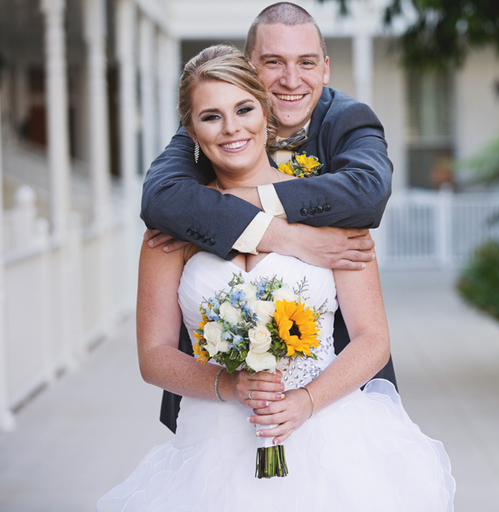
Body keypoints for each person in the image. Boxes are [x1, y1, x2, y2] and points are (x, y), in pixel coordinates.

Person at [98, 44, 453, 511]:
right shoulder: (173, 229)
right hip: (212, 447)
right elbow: (154, 357)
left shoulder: (330, 212)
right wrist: (229, 384)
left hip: (331, 438)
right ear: (191, 131)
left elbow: (372, 340)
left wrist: (306, 400)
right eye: (211, 116)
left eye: (243, 109)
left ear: (266, 111)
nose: (231, 128)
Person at [141, 3, 398, 433]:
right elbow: (160, 199)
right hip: (214, 422)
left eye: (306, 63)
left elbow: (368, 194)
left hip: (330, 407)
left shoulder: (347, 137)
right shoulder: (190, 165)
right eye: (274, 62)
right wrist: (289, 238)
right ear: (251, 67)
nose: (291, 80)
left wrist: (245, 197)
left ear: (325, 68)